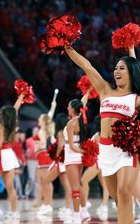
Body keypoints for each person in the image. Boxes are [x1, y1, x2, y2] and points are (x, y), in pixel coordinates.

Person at [64, 45, 140, 224]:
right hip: (105, 153)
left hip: (126, 151)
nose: (116, 71)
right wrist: (68, 48)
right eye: (115, 68)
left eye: (122, 68)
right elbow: (87, 66)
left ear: (132, 72)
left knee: (124, 192)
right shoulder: (106, 91)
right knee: (118, 198)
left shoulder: (136, 99)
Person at [63, 95, 91, 224]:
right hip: (78, 158)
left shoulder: (70, 123)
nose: (68, 108)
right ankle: (84, 213)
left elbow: (72, 146)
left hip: (72, 156)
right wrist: (88, 92)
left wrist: (82, 151)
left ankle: (75, 218)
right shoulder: (81, 120)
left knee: (74, 188)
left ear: (73, 109)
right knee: (78, 186)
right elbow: (82, 102)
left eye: (69, 107)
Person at [41, 113, 72, 218]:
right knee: (66, 185)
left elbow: (61, 144)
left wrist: (57, 155)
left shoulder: (60, 132)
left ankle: (46, 205)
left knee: (45, 181)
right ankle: (67, 208)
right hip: (65, 160)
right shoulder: (68, 130)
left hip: (60, 161)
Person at [80, 116, 109, 218]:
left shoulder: (97, 136)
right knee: (105, 185)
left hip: (97, 162)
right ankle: (104, 206)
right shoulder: (106, 134)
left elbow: (91, 149)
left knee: (83, 180)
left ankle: (85, 202)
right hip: (102, 162)